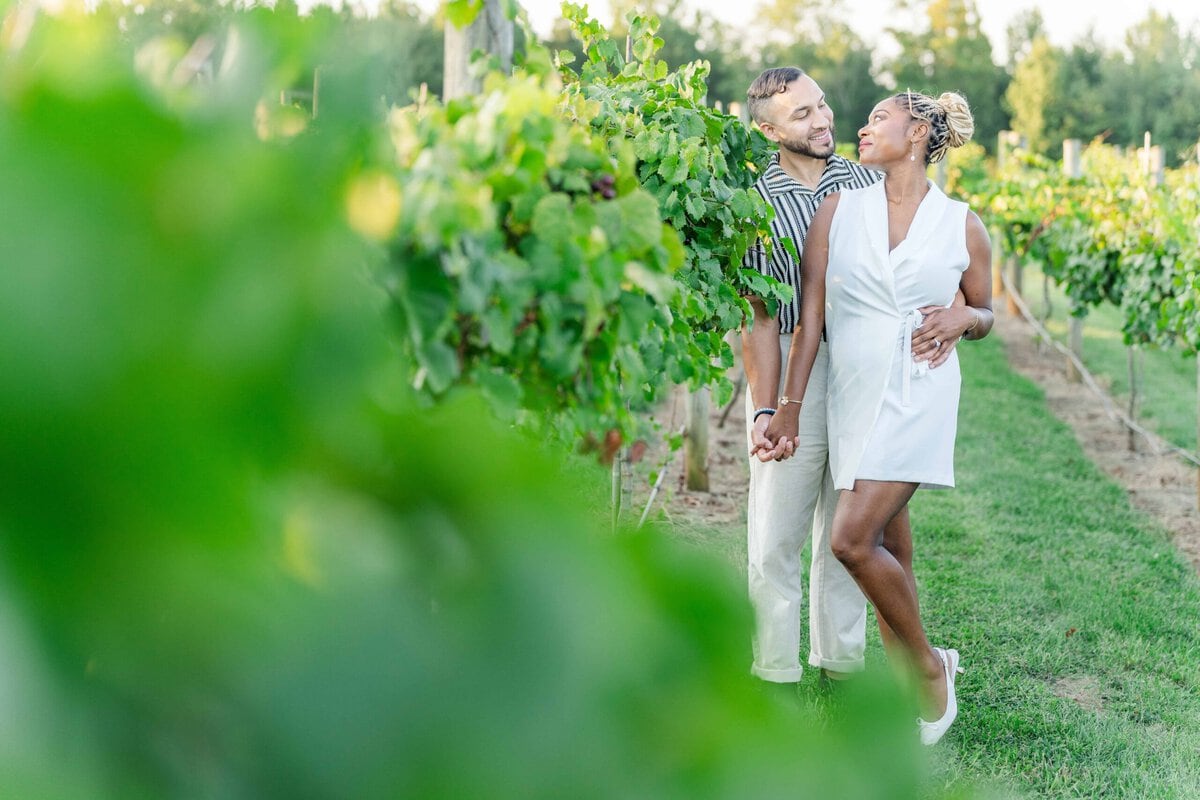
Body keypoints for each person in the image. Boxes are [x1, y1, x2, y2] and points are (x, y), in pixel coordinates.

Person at [761, 89, 993, 745]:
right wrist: (789, 407)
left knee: (850, 539)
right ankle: (919, 667)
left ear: (917, 132)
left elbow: (987, 312)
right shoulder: (838, 209)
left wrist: (962, 318)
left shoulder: (961, 223)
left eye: (877, 120)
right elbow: (810, 321)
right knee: (892, 546)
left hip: (920, 394)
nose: (859, 129)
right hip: (854, 394)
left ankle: (927, 675)